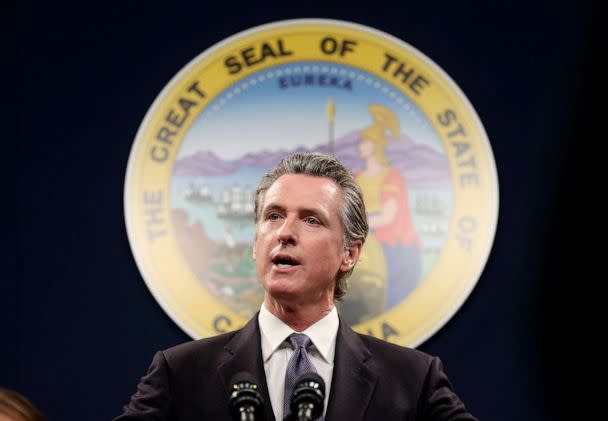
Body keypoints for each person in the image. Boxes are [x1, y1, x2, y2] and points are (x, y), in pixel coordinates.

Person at [115, 152, 477, 420]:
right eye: (273, 216)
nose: (285, 233)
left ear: (349, 254)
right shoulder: (180, 374)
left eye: (311, 220)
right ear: (256, 243)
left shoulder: (413, 381)